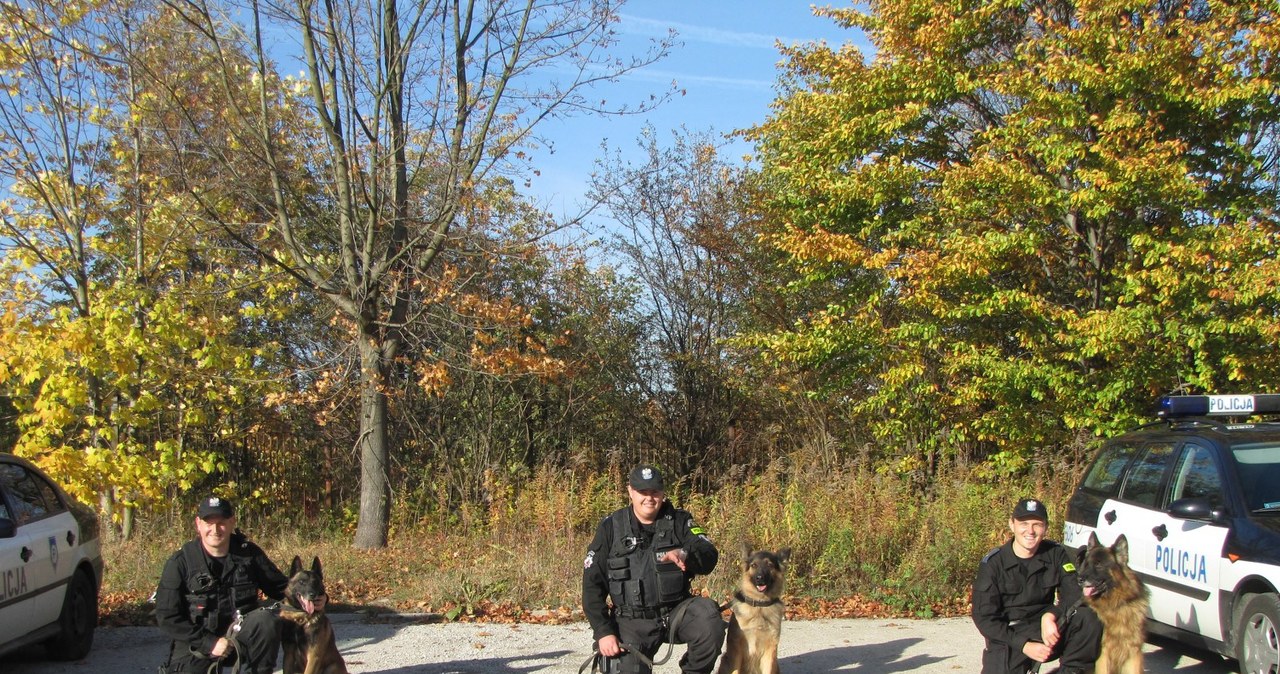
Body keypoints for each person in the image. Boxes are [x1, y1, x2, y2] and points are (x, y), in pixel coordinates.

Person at [582, 464, 726, 674]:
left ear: (663, 493)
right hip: (631, 620)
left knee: (709, 619)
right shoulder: (611, 527)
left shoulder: (680, 521)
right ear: (630, 491)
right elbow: (591, 586)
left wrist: (686, 554)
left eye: (655, 492)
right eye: (642, 492)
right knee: (620, 667)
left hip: (676, 614)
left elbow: (709, 554)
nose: (649, 498)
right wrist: (603, 632)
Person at [155, 495, 296, 674]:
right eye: (209, 523)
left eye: (221, 522)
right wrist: (209, 642)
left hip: (242, 638)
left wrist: (316, 597)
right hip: (198, 643)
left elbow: (282, 588)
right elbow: (167, 617)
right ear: (198, 524)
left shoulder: (249, 554)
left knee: (265, 620)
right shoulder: (181, 562)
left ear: (231, 522)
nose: (215, 529)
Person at [972, 497, 1103, 674]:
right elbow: (985, 619)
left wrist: (1051, 615)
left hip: (1048, 628)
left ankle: (1074, 671)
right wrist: (1025, 645)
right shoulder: (994, 563)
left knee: (1087, 617)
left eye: (1037, 524)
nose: (1030, 531)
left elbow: (1075, 594)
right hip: (1011, 634)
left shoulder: (1056, 553)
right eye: (1024, 523)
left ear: (1046, 527)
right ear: (1012, 525)